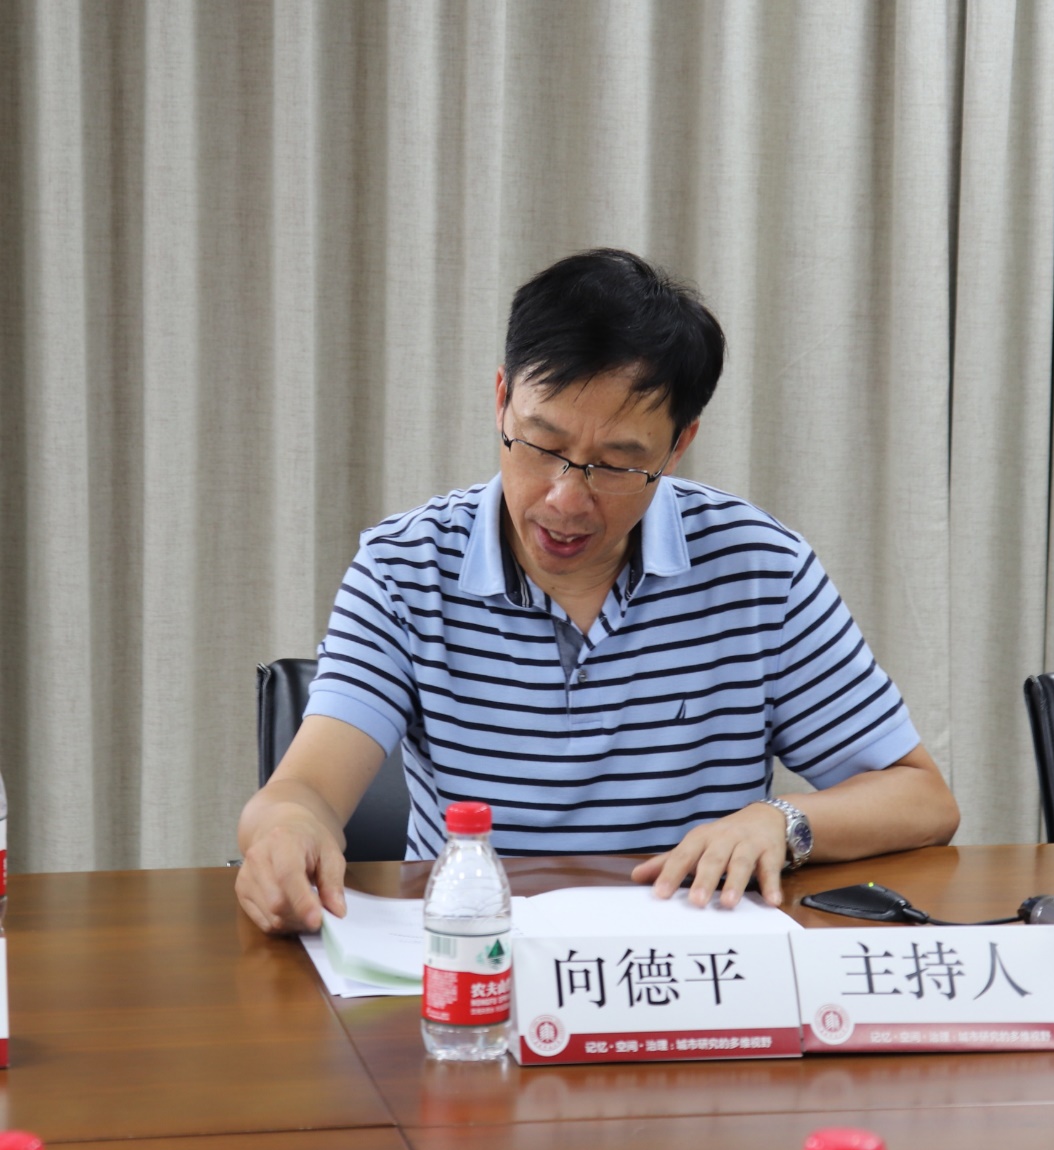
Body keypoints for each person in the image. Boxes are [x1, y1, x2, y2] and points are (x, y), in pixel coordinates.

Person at [236, 248, 959, 935]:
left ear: (678, 445)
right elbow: (304, 791)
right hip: (478, 957)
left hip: (685, 968)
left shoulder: (759, 570)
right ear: (501, 400)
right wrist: (286, 829)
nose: (564, 499)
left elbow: (922, 799)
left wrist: (781, 820)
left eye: (616, 464)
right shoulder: (405, 568)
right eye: (542, 443)